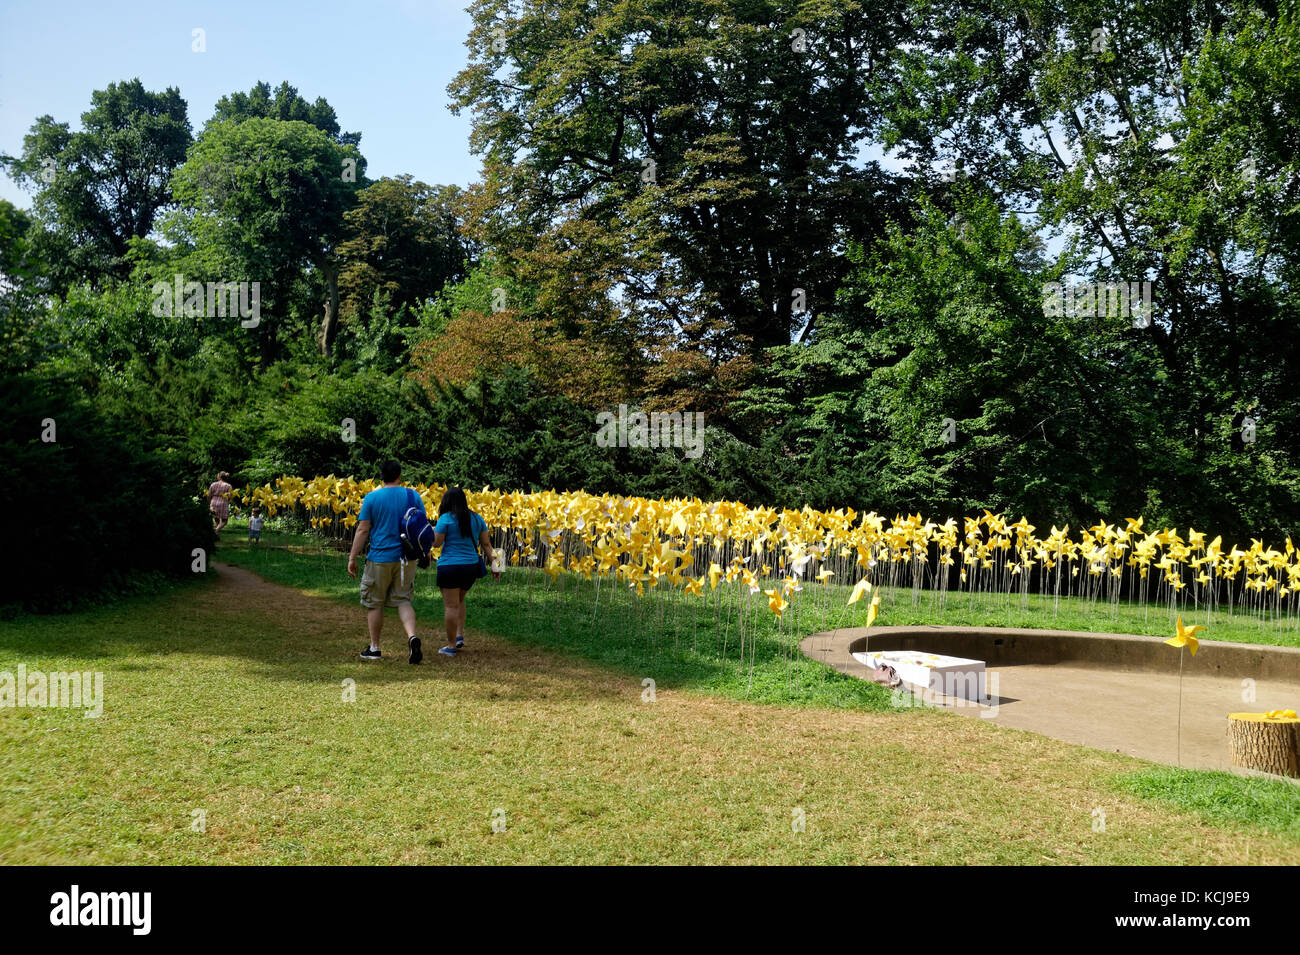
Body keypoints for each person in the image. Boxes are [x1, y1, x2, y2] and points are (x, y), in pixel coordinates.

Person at [347, 460, 425, 664]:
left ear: (381, 476)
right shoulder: (412, 495)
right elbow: (422, 528)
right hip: (406, 557)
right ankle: (412, 636)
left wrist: (352, 556)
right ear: (400, 475)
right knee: (403, 599)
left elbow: (363, 529)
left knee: (374, 603)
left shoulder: (372, 497)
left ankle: (375, 647)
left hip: (379, 557)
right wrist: (427, 552)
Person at [432, 486, 498, 657]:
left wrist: (432, 531)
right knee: (460, 599)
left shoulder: (445, 519)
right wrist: (497, 565)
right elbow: (487, 545)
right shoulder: (477, 518)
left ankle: (451, 645)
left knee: (450, 606)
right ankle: (459, 635)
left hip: (450, 566)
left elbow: (436, 544)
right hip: (470, 567)